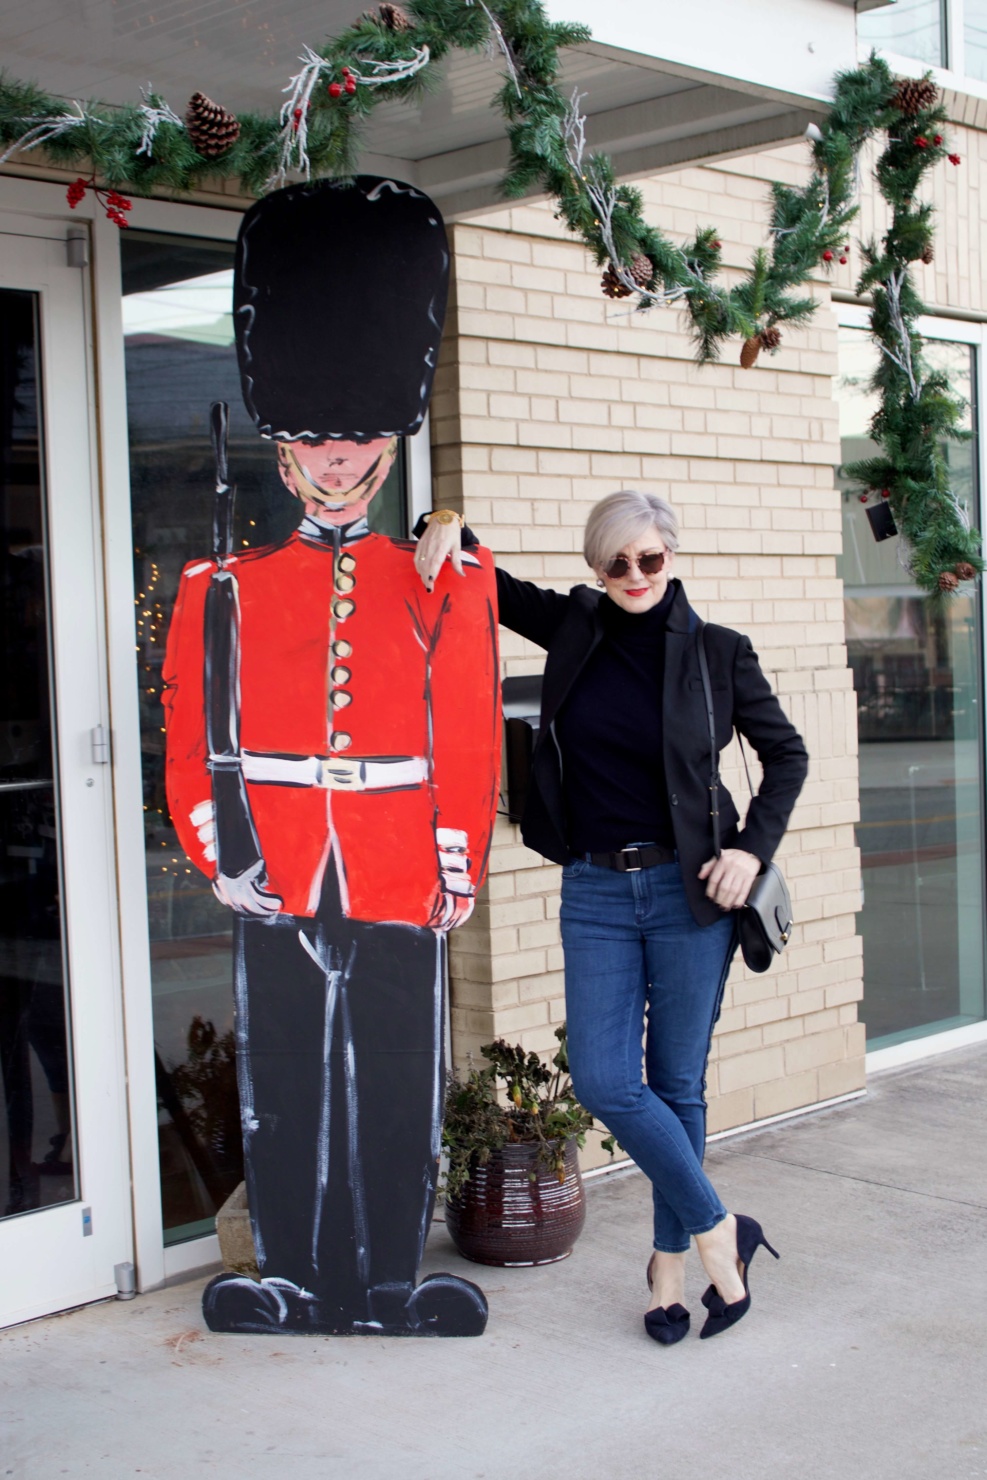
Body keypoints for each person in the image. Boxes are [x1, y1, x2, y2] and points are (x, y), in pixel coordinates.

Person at [163, 178, 500, 1338]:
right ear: (282, 441)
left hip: (400, 856)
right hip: (283, 858)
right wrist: (222, 854)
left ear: (392, 432)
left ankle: (390, 1277)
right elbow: (190, 736)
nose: (339, 456)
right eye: (314, 436)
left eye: (358, 434)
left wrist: (458, 862)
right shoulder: (223, 590)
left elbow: (463, 726)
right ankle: (294, 1275)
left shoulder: (443, 575)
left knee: (402, 1075)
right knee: (287, 1080)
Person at [415, 488, 808, 1343]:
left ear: (672, 556)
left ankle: (668, 1270)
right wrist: (441, 527)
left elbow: (786, 754)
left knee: (674, 1086)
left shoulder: (717, 653)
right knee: (602, 1078)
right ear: (596, 569)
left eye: (648, 559)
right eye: (614, 563)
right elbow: (493, 583)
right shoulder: (577, 628)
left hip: (688, 891)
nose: (633, 575)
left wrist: (750, 849)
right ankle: (720, 1231)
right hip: (594, 891)